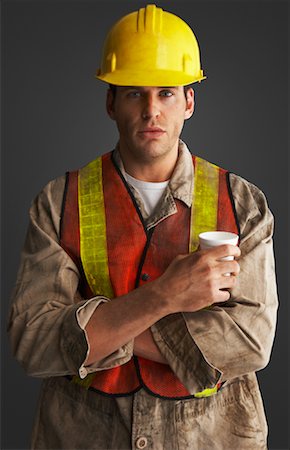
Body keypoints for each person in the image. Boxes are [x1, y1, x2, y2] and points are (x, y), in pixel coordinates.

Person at [8, 4, 278, 450]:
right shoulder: (59, 202)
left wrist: (99, 333)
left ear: (189, 102)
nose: (152, 110)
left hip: (210, 436)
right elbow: (33, 342)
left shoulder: (242, 203)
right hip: (82, 435)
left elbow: (250, 344)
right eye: (134, 93)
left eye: (166, 93)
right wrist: (166, 296)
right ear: (110, 102)